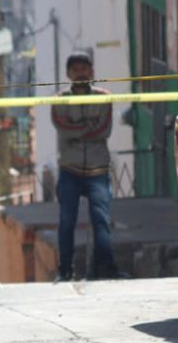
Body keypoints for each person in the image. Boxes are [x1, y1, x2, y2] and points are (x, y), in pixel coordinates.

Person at [50, 50, 124, 281]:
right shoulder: (59, 100)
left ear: (91, 71)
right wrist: (88, 127)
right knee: (66, 222)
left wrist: (77, 131)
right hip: (69, 169)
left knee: (101, 220)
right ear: (68, 74)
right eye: (76, 70)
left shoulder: (104, 97)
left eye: (84, 69)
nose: (80, 73)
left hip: (97, 169)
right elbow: (63, 128)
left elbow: (104, 130)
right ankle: (65, 270)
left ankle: (107, 267)